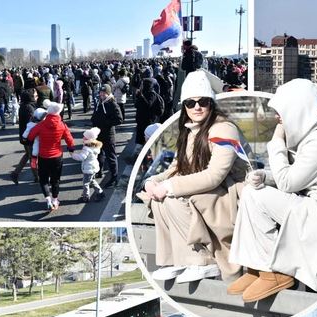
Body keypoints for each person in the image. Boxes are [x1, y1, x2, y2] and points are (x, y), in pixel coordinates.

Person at [228, 78, 317, 303]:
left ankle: (275, 271)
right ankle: (258, 266)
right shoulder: (312, 137)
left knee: (256, 195)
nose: (277, 118)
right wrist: (265, 176)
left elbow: (288, 183)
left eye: (281, 112)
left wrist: (276, 142)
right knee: (251, 191)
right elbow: (298, 176)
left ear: (296, 110)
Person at [140, 70, 247, 284]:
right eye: (190, 103)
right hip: (213, 190)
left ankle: (203, 261)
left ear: (212, 103)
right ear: (184, 106)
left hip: (230, 193)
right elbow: (176, 167)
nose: (197, 107)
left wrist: (169, 186)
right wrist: (154, 181)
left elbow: (215, 175)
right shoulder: (190, 132)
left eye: (203, 101)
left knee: (172, 197)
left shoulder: (224, 129)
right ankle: (177, 260)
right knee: (159, 199)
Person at [27, 101, 75, 211]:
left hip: (43, 156)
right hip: (57, 156)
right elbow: (70, 140)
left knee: (43, 180)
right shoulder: (62, 125)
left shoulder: (41, 125)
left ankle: (48, 200)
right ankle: (55, 200)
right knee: (55, 180)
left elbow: (30, 136)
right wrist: (71, 149)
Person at [91, 84, 123, 187]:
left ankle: (114, 178)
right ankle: (99, 171)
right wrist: (93, 120)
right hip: (98, 134)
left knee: (111, 157)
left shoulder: (112, 103)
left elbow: (119, 119)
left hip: (108, 135)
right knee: (98, 154)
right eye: (101, 92)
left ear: (108, 93)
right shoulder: (99, 102)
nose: (101, 94)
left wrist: (105, 122)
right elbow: (96, 114)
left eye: (104, 93)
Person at [73, 127, 104, 202]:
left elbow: (82, 157)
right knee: (92, 181)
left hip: (89, 168)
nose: (83, 138)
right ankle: (100, 193)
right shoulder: (95, 146)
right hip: (93, 167)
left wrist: (73, 155)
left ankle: (86, 197)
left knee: (86, 183)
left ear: (89, 139)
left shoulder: (87, 148)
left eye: (85, 137)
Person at [134, 77, 164, 146]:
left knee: (145, 136)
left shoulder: (152, 94)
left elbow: (148, 105)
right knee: (140, 136)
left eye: (143, 84)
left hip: (148, 119)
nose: (141, 86)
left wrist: (141, 96)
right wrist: (138, 96)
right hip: (140, 119)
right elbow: (136, 105)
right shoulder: (143, 93)